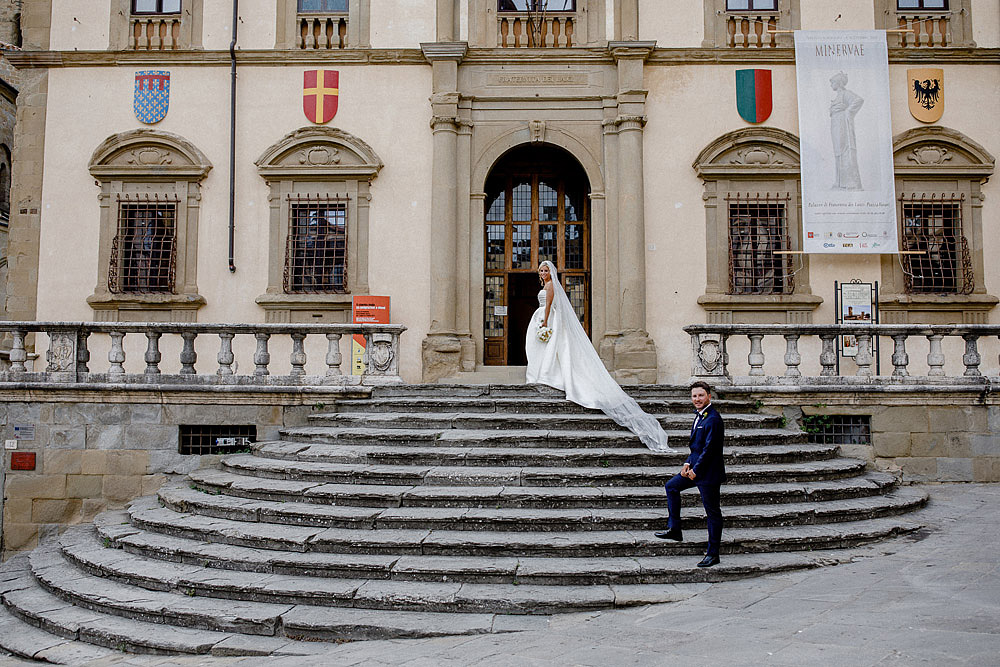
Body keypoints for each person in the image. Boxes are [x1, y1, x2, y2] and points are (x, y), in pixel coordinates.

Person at [524, 261, 673, 454]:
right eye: (541, 270)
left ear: (551, 272)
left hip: (547, 318)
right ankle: (546, 374)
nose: (543, 273)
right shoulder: (545, 285)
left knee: (553, 349)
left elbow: (549, 305)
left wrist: (544, 323)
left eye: (546, 270)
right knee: (548, 350)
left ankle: (548, 374)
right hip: (543, 317)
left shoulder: (551, 286)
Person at [654, 381, 726, 567]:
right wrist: (687, 463)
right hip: (695, 468)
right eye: (694, 396)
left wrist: (696, 470)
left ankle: (713, 553)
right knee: (671, 486)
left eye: (701, 395)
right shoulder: (700, 416)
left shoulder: (713, 419)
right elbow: (696, 448)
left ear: (709, 396)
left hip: (708, 473)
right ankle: (675, 528)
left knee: (712, 513)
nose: (697, 399)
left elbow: (710, 449)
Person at [829, 71, 864, 191]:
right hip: (836, 124)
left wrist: (848, 112)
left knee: (846, 150)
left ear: (838, 83)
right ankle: (840, 182)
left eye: (833, 82)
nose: (831, 84)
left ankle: (851, 183)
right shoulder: (838, 96)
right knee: (838, 152)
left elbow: (858, 100)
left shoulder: (845, 94)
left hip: (842, 124)